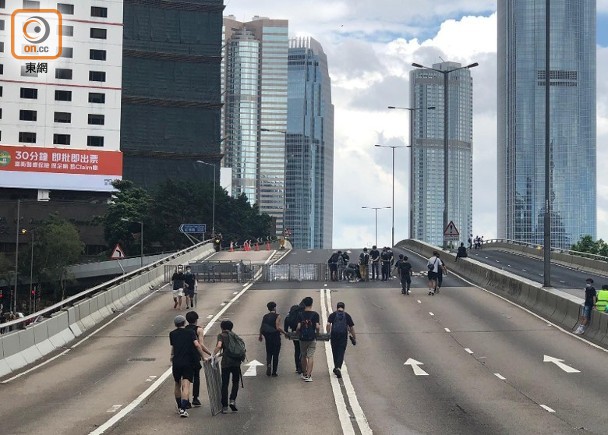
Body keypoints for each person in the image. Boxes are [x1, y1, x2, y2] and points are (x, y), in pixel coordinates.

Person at [170, 314, 208, 418]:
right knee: (186, 385)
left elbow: (173, 347)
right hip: (187, 362)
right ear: (184, 323)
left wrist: (171, 357)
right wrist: (203, 356)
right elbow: (197, 345)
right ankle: (183, 408)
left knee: (177, 384)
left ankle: (179, 406)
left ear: (175, 324)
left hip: (176, 362)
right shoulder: (190, 332)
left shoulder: (172, 334)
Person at [213, 320, 242, 413]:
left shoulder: (221, 335)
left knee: (225, 383)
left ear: (222, 327)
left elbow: (219, 345)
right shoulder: (235, 336)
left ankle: (224, 406)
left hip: (226, 363)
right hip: (236, 362)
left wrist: (213, 355)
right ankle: (232, 400)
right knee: (235, 381)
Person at [185, 311, 212, 408]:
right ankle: (195, 398)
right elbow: (201, 344)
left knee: (186, 378)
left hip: (186, 356)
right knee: (196, 377)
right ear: (196, 320)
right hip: (195, 356)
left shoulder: (185, 329)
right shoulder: (199, 330)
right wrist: (209, 354)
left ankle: (186, 399)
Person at [326, 302, 356, 379]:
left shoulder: (332, 315)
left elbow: (328, 324)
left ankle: (336, 367)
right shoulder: (347, 315)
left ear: (337, 307)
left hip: (334, 335)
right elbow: (351, 328)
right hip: (343, 336)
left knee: (335, 351)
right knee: (341, 351)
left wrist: (328, 333)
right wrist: (354, 337)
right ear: (343, 307)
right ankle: (338, 367)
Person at [296, 296, 320, 382]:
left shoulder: (300, 314)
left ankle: (304, 373)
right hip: (311, 337)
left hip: (302, 338)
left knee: (303, 355)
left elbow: (298, 327)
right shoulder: (315, 314)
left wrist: (297, 333)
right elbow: (317, 326)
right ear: (311, 304)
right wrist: (317, 334)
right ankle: (309, 375)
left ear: (304, 304)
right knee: (310, 356)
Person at [259, 301, 285, 377]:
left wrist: (260, 336)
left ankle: (269, 364)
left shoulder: (265, 316)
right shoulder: (277, 316)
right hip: (275, 336)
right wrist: (285, 333)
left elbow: (262, 326)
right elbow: (277, 327)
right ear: (274, 308)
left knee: (269, 352)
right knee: (276, 354)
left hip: (268, 337)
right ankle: (274, 372)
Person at [284, 303, 303, 374]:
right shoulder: (300, 316)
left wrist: (287, 333)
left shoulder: (289, 317)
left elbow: (286, 328)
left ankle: (297, 367)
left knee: (297, 350)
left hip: (294, 335)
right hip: (302, 334)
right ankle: (302, 364)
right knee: (303, 350)